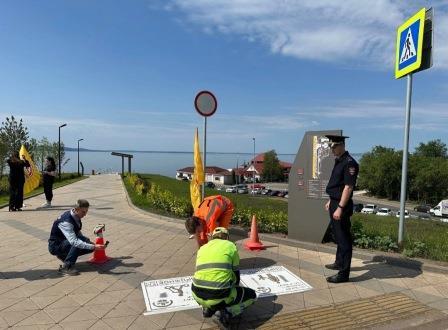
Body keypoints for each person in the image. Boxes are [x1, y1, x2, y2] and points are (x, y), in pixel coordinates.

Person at [191, 227, 257, 328]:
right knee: (252, 295)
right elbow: (236, 275)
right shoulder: (230, 246)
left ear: (212, 238)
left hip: (196, 293)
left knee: (208, 282)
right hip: (218, 295)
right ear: (227, 238)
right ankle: (226, 313)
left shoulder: (203, 248)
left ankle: (208, 309)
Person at [324, 135, 359, 283]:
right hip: (335, 202)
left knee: (344, 239)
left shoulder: (350, 163)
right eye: (331, 147)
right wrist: (330, 200)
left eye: (334, 147)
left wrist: (339, 207)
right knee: (338, 235)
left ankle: (343, 274)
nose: (332, 150)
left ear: (342, 145)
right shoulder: (339, 161)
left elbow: (348, 187)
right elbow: (338, 185)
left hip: (341, 206)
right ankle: (339, 262)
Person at [48, 199, 106, 275]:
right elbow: (74, 241)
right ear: (76, 210)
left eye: (86, 211)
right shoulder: (66, 222)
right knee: (79, 242)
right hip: (55, 246)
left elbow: (77, 231)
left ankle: (64, 257)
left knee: (86, 243)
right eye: (83, 212)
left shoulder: (74, 214)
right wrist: (94, 247)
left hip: (64, 242)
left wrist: (87, 243)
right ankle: (66, 267)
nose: (85, 214)